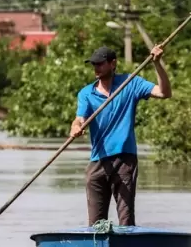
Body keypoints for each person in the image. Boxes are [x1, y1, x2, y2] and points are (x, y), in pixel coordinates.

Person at [69, 44, 172, 227]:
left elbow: (164, 93)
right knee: (95, 225)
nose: (96, 68)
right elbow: (79, 119)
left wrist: (157, 64)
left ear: (113, 63)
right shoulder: (86, 93)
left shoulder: (131, 83)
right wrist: (76, 128)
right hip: (98, 161)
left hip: (125, 160)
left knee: (126, 221)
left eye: (100, 64)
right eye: (94, 65)